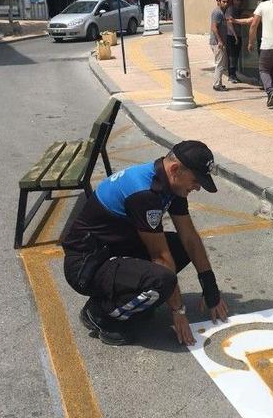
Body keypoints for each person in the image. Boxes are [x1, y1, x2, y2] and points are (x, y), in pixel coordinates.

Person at [61, 141, 230, 346]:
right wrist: (178, 311)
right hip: (86, 266)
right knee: (162, 280)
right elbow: (160, 256)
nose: (198, 187)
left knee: (180, 246)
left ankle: (132, 294)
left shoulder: (170, 183)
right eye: (196, 180)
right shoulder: (144, 194)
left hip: (115, 249)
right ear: (176, 169)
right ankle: (99, 313)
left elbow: (189, 238)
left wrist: (210, 288)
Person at [209, 0, 230, 92]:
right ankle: (217, 85)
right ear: (218, 2)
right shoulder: (217, 12)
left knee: (221, 63)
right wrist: (220, 41)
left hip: (219, 42)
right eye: (223, 2)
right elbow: (214, 27)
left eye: (226, 2)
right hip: (217, 43)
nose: (225, 4)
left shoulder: (221, 12)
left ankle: (219, 83)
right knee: (220, 64)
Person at [224, 0, 244, 83]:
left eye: (240, 0)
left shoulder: (240, 10)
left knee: (236, 56)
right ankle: (231, 75)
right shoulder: (230, 9)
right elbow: (229, 23)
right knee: (232, 56)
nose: (238, 2)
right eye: (237, 0)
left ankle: (234, 74)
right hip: (231, 36)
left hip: (238, 36)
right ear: (233, 1)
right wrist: (235, 36)